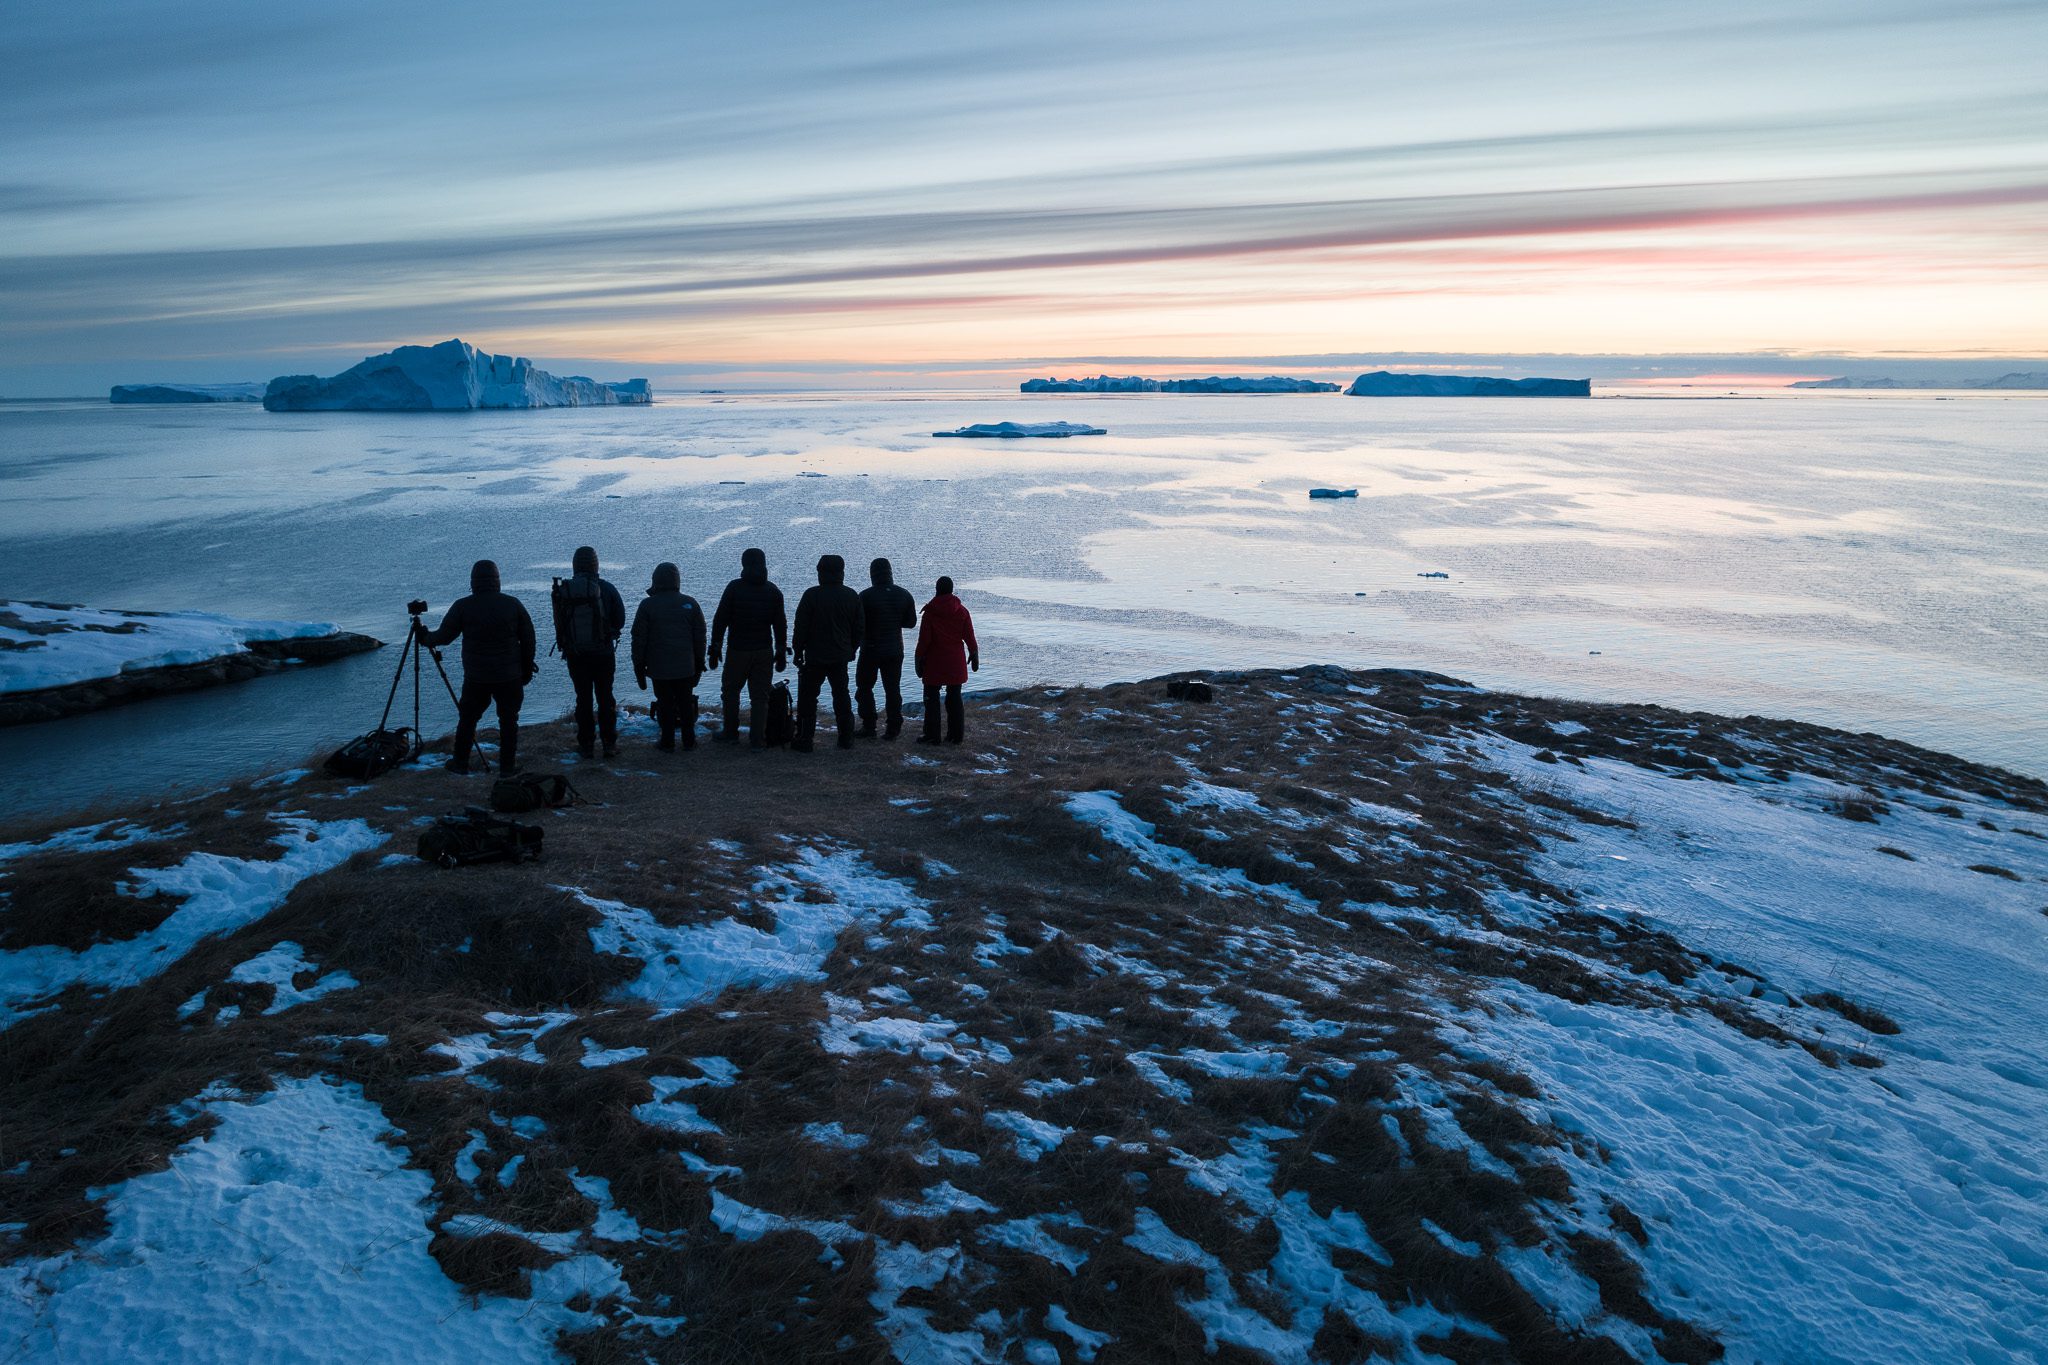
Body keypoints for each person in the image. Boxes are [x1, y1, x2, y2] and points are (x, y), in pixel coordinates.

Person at [418, 559, 537, 774]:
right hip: (509, 676)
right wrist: (526, 671)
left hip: (477, 677)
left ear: (473, 582)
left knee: (468, 719)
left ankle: (460, 763)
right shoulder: (512, 604)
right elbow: (529, 639)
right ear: (497, 580)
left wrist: (425, 638)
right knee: (509, 721)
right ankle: (508, 767)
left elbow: (444, 637)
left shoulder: (463, 606)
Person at [708, 547, 787, 748]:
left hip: (738, 650)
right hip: (764, 650)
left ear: (743, 564)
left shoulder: (734, 588)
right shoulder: (773, 591)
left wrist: (715, 646)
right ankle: (757, 740)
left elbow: (720, 620)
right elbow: (780, 625)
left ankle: (731, 732)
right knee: (760, 697)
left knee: (731, 691)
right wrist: (780, 651)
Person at [554, 545, 626, 759]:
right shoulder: (607, 588)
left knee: (582, 699)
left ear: (575, 565)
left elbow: (560, 625)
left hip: (576, 655)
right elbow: (620, 620)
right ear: (596, 565)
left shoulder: (565, 590)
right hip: (603, 653)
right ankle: (609, 745)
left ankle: (586, 746)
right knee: (606, 698)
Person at [630, 561, 707, 752]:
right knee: (685, 702)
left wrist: (638, 666)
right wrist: (699, 663)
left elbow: (638, 639)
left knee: (664, 703)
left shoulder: (647, 605)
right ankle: (689, 741)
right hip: (685, 666)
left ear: (656, 581)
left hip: (659, 667)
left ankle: (667, 741)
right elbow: (700, 638)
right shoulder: (691, 603)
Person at [791, 554, 864, 752]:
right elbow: (859, 629)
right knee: (841, 696)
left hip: (814, 656)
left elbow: (801, 626)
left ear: (821, 572)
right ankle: (846, 739)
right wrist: (852, 649)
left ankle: (806, 739)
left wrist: (797, 650)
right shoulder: (851, 596)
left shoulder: (811, 595)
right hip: (840, 655)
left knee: (807, 699)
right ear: (841, 572)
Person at [855, 557, 918, 740]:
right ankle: (893, 728)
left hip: (870, 649)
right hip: (894, 650)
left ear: (872, 574)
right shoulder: (904, 594)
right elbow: (911, 622)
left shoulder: (865, 596)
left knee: (864, 687)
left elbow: (858, 625)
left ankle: (869, 726)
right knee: (893, 689)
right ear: (890, 572)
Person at [913, 576, 978, 746]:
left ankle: (932, 735)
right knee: (955, 698)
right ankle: (956, 736)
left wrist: (918, 658)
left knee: (931, 698)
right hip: (955, 662)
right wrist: (974, 652)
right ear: (951, 590)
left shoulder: (930, 613)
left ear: (937, 589)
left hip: (934, 663)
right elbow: (969, 636)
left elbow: (924, 641)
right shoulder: (962, 611)